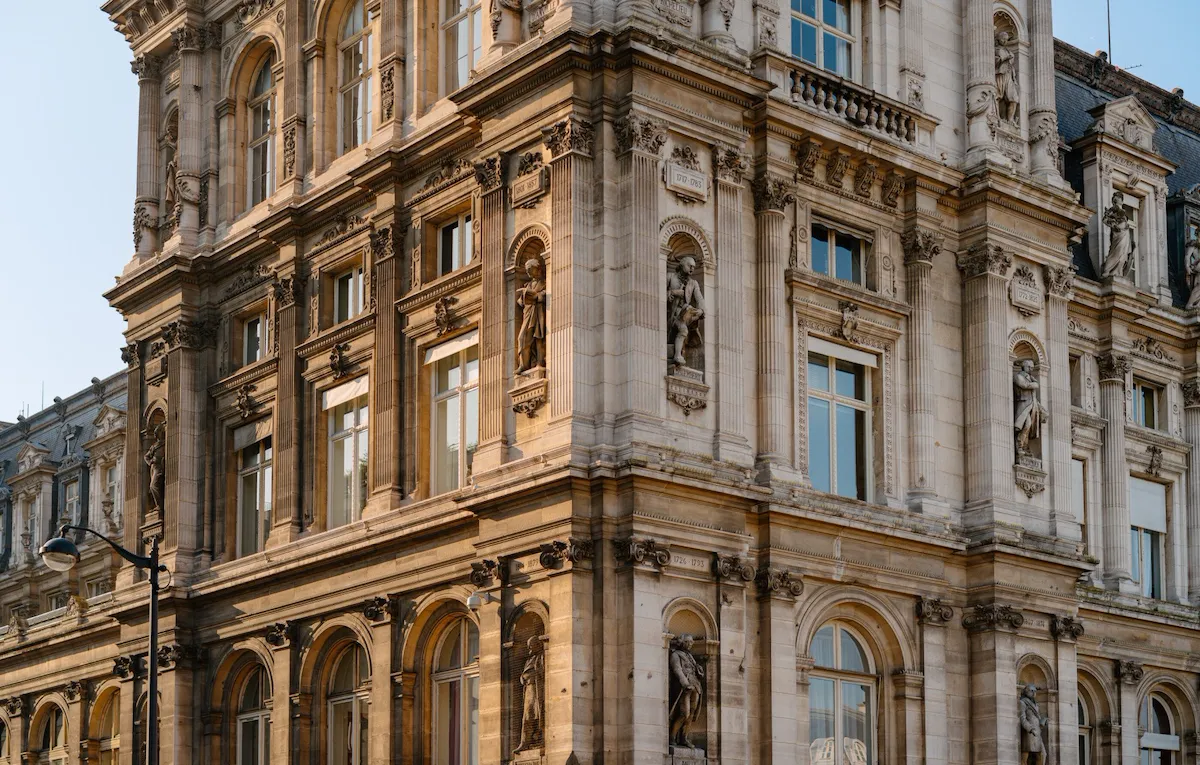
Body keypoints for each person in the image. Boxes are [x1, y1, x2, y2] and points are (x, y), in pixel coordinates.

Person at [667, 256, 704, 369]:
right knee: (681, 329)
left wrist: (701, 310)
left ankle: (678, 355)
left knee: (683, 329)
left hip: (682, 315)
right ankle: (677, 354)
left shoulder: (693, 283)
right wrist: (673, 292)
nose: (692, 269)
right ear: (682, 264)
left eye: (694, 267)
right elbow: (656, 294)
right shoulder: (670, 276)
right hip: (670, 314)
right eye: (690, 266)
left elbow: (699, 298)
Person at [669, 635, 704, 748]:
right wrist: (685, 683)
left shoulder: (690, 656)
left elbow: (694, 670)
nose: (690, 644)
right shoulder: (675, 654)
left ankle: (684, 738)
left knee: (692, 714)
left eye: (691, 642)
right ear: (682, 642)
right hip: (685, 687)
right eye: (688, 642)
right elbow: (677, 669)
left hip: (696, 686)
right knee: (685, 713)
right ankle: (672, 736)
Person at [515, 258, 547, 375]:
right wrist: (524, 297)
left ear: (536, 269)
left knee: (538, 338)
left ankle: (539, 361)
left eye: (530, 269)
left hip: (538, 313)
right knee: (522, 337)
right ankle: (524, 364)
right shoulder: (527, 284)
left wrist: (536, 296)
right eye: (527, 270)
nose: (528, 272)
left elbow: (545, 294)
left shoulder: (544, 282)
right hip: (527, 314)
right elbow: (520, 302)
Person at [514, 636, 545, 753]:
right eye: (528, 646)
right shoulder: (529, 660)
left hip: (537, 689)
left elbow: (543, 672)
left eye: (531, 646)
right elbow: (523, 674)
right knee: (527, 717)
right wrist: (523, 677)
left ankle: (539, 739)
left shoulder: (542, 657)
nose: (529, 649)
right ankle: (524, 742)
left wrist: (534, 675)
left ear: (537, 645)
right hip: (528, 690)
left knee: (538, 714)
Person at [1013, 360, 1047, 457]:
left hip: (1031, 406)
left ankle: (1025, 446)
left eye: (1032, 368)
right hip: (1023, 405)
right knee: (1026, 424)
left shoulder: (1030, 378)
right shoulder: (1018, 376)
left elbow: (1033, 396)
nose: (1031, 369)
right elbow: (1025, 385)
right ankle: (1019, 445)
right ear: (1024, 366)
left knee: (1030, 427)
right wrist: (1035, 384)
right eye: (1030, 367)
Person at [1100, 191, 1136, 280]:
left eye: (1119, 198)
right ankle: (1107, 270)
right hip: (1118, 234)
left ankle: (1118, 272)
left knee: (1123, 255)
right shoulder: (1113, 209)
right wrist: (1114, 226)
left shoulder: (1122, 211)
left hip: (1125, 233)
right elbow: (1104, 220)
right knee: (1116, 251)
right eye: (1116, 198)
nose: (1118, 200)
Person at [1019, 684, 1047, 765]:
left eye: (1035, 691)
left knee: (1043, 754)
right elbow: (1022, 718)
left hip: (1037, 731)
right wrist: (1030, 729)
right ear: (1027, 691)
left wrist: (1043, 722)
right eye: (1032, 691)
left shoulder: (1035, 704)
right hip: (1029, 731)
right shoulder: (1022, 702)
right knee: (1026, 753)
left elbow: (1036, 718)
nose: (1034, 693)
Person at [995, 31, 1019, 123]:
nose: (1004, 41)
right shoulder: (996, 49)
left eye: (1006, 39)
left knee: (1014, 98)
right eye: (1002, 39)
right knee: (998, 95)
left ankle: (1010, 120)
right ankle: (996, 116)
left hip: (1009, 75)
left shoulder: (1008, 51)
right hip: (1000, 74)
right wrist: (1004, 58)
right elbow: (994, 62)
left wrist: (1014, 78)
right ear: (998, 39)